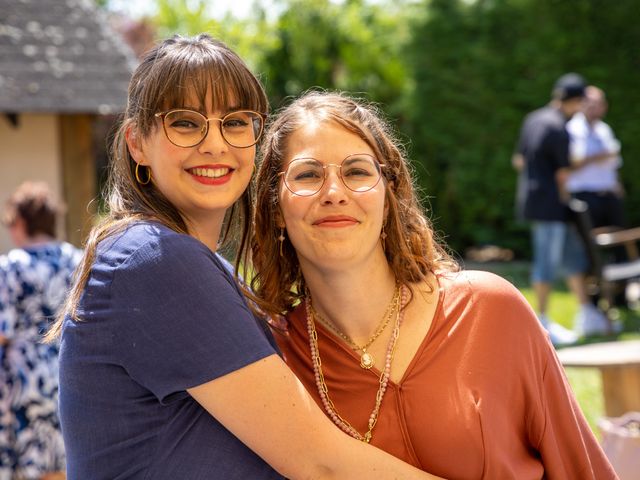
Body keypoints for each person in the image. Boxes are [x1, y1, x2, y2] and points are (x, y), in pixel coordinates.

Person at [45, 35, 441, 480]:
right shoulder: (154, 261)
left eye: (235, 122)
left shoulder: (198, 265)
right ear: (137, 142)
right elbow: (320, 463)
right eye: (186, 123)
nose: (215, 144)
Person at [249, 91, 617, 479]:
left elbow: (580, 467)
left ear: (387, 196)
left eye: (357, 171)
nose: (335, 193)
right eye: (308, 174)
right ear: (275, 207)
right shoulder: (273, 358)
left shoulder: (489, 311)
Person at [512, 73, 609, 344]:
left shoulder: (533, 119)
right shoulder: (559, 127)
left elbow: (518, 161)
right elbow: (563, 173)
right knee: (546, 263)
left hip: (535, 201)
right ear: (576, 101)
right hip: (552, 205)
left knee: (572, 258)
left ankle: (586, 314)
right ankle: (541, 322)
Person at [0, 181, 81, 480]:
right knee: (65, 460)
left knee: (31, 463)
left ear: (20, 222)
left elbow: (3, 331)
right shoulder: (78, 260)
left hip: (25, 380)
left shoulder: (11, 267)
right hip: (69, 374)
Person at [566, 85, 624, 229]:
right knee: (591, 246)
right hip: (585, 195)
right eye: (591, 104)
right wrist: (597, 157)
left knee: (620, 240)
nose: (595, 108)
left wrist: (618, 185)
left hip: (608, 193)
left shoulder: (604, 129)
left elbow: (612, 162)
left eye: (599, 104)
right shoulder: (572, 129)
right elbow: (570, 164)